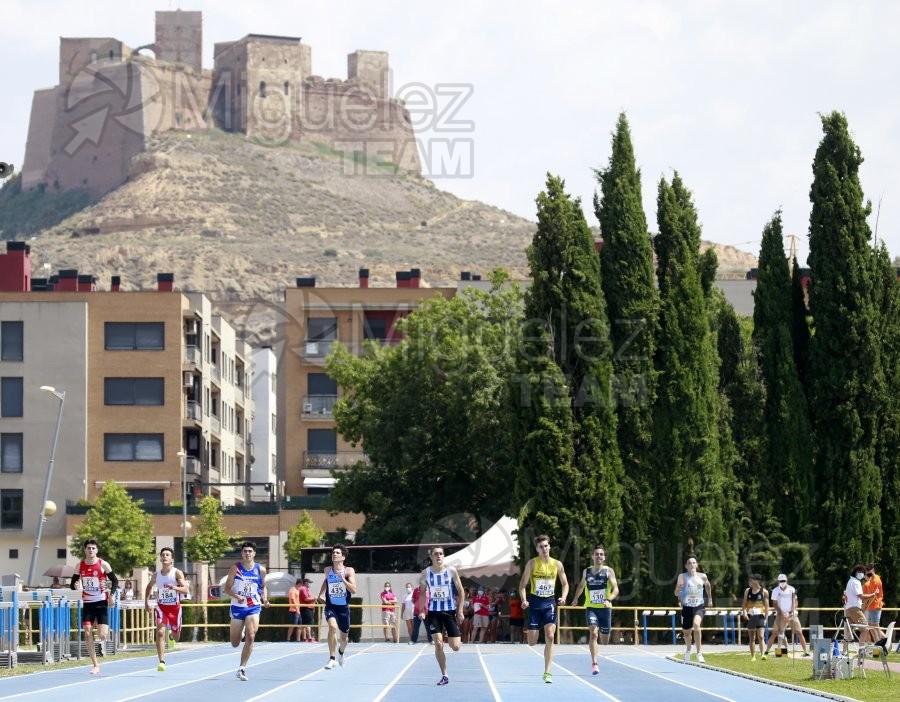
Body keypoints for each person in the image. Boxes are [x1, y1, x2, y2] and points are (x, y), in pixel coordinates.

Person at [519, 534, 569, 684]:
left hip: (549, 603)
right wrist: (524, 600)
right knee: (532, 642)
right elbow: (522, 586)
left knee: (550, 635)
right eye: (541, 547)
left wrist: (564, 597)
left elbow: (565, 584)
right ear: (537, 549)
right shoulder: (532, 564)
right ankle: (535, 629)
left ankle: (547, 672)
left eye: (546, 546)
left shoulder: (557, 564)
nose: (544, 548)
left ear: (549, 547)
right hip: (534, 603)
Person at [70, 539, 118, 675]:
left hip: (101, 602)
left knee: (102, 635)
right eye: (88, 548)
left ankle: (101, 628)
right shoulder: (79, 566)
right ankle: (95, 665)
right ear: (85, 550)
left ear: (96, 550)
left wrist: (112, 594)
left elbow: (115, 580)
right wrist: (76, 585)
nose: (91, 550)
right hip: (88, 603)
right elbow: (73, 584)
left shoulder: (103, 564)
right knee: (86, 633)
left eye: (93, 548)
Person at [224, 541, 270, 681]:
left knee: (251, 635)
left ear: (254, 553)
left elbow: (263, 587)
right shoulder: (235, 569)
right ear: (242, 553)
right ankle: (241, 630)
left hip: (254, 606)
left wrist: (265, 599)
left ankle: (242, 668)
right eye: (245, 551)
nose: (248, 553)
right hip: (238, 607)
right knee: (235, 643)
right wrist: (236, 596)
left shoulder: (260, 570)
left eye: (250, 551)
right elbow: (227, 589)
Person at [419, 545, 465, 686]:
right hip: (433, 613)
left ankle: (452, 639)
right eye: (436, 554)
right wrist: (422, 610)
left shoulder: (451, 571)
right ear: (431, 557)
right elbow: (422, 593)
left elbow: (461, 591)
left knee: (455, 647)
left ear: (443, 556)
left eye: (441, 554)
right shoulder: (425, 573)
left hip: (449, 612)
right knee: (438, 644)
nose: (439, 556)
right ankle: (444, 675)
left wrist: (460, 610)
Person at [570, 544, 620, 675]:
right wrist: (575, 599)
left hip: (605, 609)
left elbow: (616, 589)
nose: (599, 556)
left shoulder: (609, 571)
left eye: (601, 554)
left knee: (604, 641)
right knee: (593, 633)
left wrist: (608, 600)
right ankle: (594, 664)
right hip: (591, 607)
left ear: (604, 558)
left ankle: (605, 634)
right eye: (596, 554)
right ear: (592, 557)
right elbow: (581, 586)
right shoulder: (586, 572)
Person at [144, 546, 189, 671]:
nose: (164, 557)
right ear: (160, 558)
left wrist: (174, 588)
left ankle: (172, 633)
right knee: (159, 633)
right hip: (162, 608)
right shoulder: (156, 575)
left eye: (167, 555)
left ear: (172, 559)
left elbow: (185, 589)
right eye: (163, 555)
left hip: (175, 609)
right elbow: (148, 588)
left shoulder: (177, 573)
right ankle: (162, 661)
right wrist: (146, 602)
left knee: (176, 637)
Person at [316, 543, 357, 669]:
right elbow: (326, 580)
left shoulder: (349, 571)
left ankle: (341, 653)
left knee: (344, 639)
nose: (334, 554)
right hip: (331, 606)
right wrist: (320, 594)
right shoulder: (327, 570)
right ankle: (332, 658)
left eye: (337, 553)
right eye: (333, 553)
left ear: (343, 557)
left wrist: (342, 579)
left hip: (343, 608)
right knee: (332, 627)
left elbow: (354, 590)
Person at [675, 554, 712, 663]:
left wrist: (710, 599)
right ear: (686, 566)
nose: (692, 564)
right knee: (686, 633)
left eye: (694, 562)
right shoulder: (682, 576)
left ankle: (699, 653)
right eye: (689, 563)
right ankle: (688, 649)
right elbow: (676, 593)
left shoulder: (703, 576)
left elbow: (708, 586)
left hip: (699, 606)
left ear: (697, 565)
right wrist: (678, 589)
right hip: (687, 607)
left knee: (696, 625)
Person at [764, 573, 809, 657]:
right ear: (778, 581)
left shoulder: (792, 589)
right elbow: (774, 604)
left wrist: (790, 612)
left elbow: (795, 602)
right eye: (781, 581)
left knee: (799, 632)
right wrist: (782, 613)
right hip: (780, 615)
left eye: (784, 581)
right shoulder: (775, 590)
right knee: (775, 633)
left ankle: (805, 651)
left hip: (792, 614)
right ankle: (767, 651)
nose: (782, 582)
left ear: (786, 581)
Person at [842, 563, 877, 646]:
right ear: (857, 572)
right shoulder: (856, 582)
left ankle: (843, 653)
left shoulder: (850, 581)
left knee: (848, 634)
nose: (863, 575)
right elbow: (861, 596)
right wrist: (873, 594)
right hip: (855, 609)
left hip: (848, 610)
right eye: (862, 572)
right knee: (865, 629)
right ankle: (861, 653)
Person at [740, 574, 769, 661]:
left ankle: (763, 654)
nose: (749, 582)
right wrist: (744, 612)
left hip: (760, 616)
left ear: (757, 581)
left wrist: (766, 619)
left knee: (761, 636)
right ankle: (753, 656)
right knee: (752, 638)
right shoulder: (747, 591)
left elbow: (767, 606)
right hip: (750, 616)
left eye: (751, 580)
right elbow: (744, 604)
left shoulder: (764, 592)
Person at [863, 563, 886, 641]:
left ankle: (883, 642)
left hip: (875, 605)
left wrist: (865, 607)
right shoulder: (872, 579)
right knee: (871, 626)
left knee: (875, 626)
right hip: (872, 606)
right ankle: (878, 643)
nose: (867, 574)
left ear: (872, 571)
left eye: (868, 572)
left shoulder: (875, 580)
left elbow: (873, 596)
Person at [298, 577, 316, 642]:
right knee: (308, 623)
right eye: (309, 583)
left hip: (307, 608)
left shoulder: (305, 589)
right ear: (305, 583)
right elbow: (306, 599)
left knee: (305, 623)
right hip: (306, 608)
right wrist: (314, 598)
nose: (310, 584)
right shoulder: (303, 589)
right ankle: (310, 638)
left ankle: (305, 638)